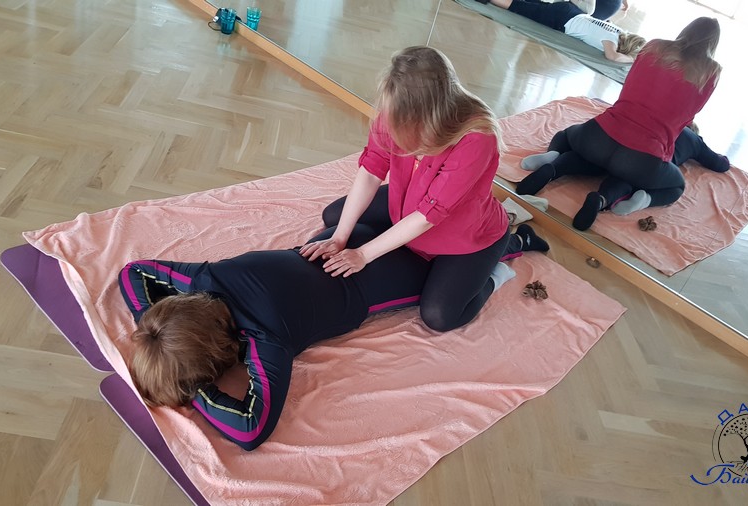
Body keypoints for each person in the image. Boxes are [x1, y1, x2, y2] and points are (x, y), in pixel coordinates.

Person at [118, 223, 540, 450]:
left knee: (444, 312)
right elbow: (133, 272)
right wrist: (154, 324)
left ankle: (508, 245)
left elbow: (249, 431)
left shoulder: (267, 336)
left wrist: (194, 392)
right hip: (347, 239)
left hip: (386, 276)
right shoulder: (206, 280)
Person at [299, 46, 550, 333]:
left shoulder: (477, 138)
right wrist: (341, 237)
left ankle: (511, 248)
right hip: (409, 204)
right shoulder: (395, 111)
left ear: (429, 114)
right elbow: (371, 171)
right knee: (335, 217)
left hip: (464, 234)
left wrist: (364, 254)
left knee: (439, 316)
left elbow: (427, 216)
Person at [515, 17, 723, 230]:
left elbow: (633, 81)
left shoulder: (654, 46)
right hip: (641, 159)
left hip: (598, 135)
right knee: (675, 186)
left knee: (569, 137)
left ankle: (553, 160)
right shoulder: (710, 73)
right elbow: (691, 115)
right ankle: (629, 200)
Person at [480, 0, 645, 62]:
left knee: (534, 5)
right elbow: (612, 57)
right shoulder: (611, 42)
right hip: (563, 19)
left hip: (572, 10)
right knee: (519, 7)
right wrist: (632, 60)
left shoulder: (617, 30)